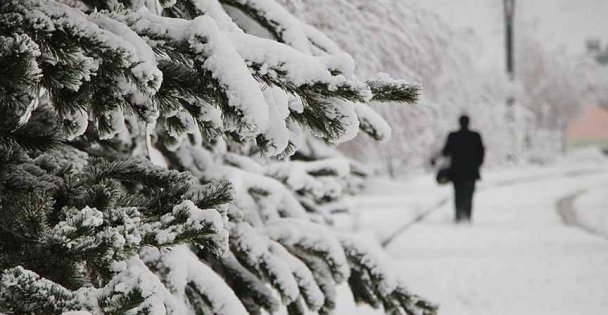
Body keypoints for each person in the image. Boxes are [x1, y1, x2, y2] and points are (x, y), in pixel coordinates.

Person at [441, 115, 485, 223]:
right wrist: (477, 164)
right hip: (471, 172)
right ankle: (467, 216)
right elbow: (481, 152)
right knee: (469, 194)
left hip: (456, 172)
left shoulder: (453, 136)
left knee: (458, 194)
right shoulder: (475, 136)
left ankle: (458, 216)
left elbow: (445, 151)